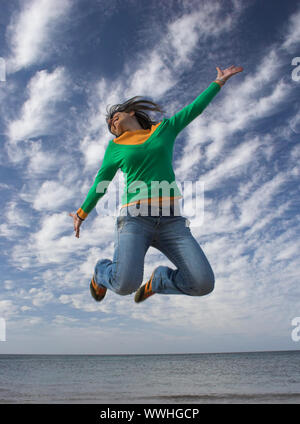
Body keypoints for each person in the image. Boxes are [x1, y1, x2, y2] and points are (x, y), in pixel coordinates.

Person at [70, 65, 243, 304]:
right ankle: (101, 272)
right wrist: (81, 213)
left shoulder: (164, 129)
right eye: (109, 124)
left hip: (172, 222)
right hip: (134, 219)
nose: (111, 122)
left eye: (114, 116)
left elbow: (194, 110)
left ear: (130, 112)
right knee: (124, 285)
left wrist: (218, 83)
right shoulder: (115, 147)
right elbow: (102, 181)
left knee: (202, 284)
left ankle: (161, 280)